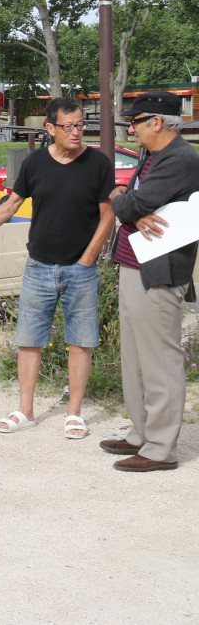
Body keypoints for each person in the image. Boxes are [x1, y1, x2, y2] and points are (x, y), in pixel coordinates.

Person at [0, 97, 114, 438]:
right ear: (50, 128)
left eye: (81, 125)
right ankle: (25, 411)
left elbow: (108, 216)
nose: (77, 132)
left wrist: (88, 259)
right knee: (28, 341)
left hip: (80, 271)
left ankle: (74, 415)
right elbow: (11, 204)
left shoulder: (98, 163)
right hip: (39, 267)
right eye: (68, 126)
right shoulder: (35, 163)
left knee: (81, 342)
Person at [102, 91, 199, 471]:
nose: (132, 128)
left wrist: (125, 203)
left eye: (137, 121)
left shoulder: (179, 159)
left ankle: (160, 449)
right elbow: (130, 201)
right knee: (137, 357)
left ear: (157, 122)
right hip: (135, 265)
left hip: (158, 272)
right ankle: (141, 433)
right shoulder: (154, 154)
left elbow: (130, 204)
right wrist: (127, 202)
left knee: (160, 359)